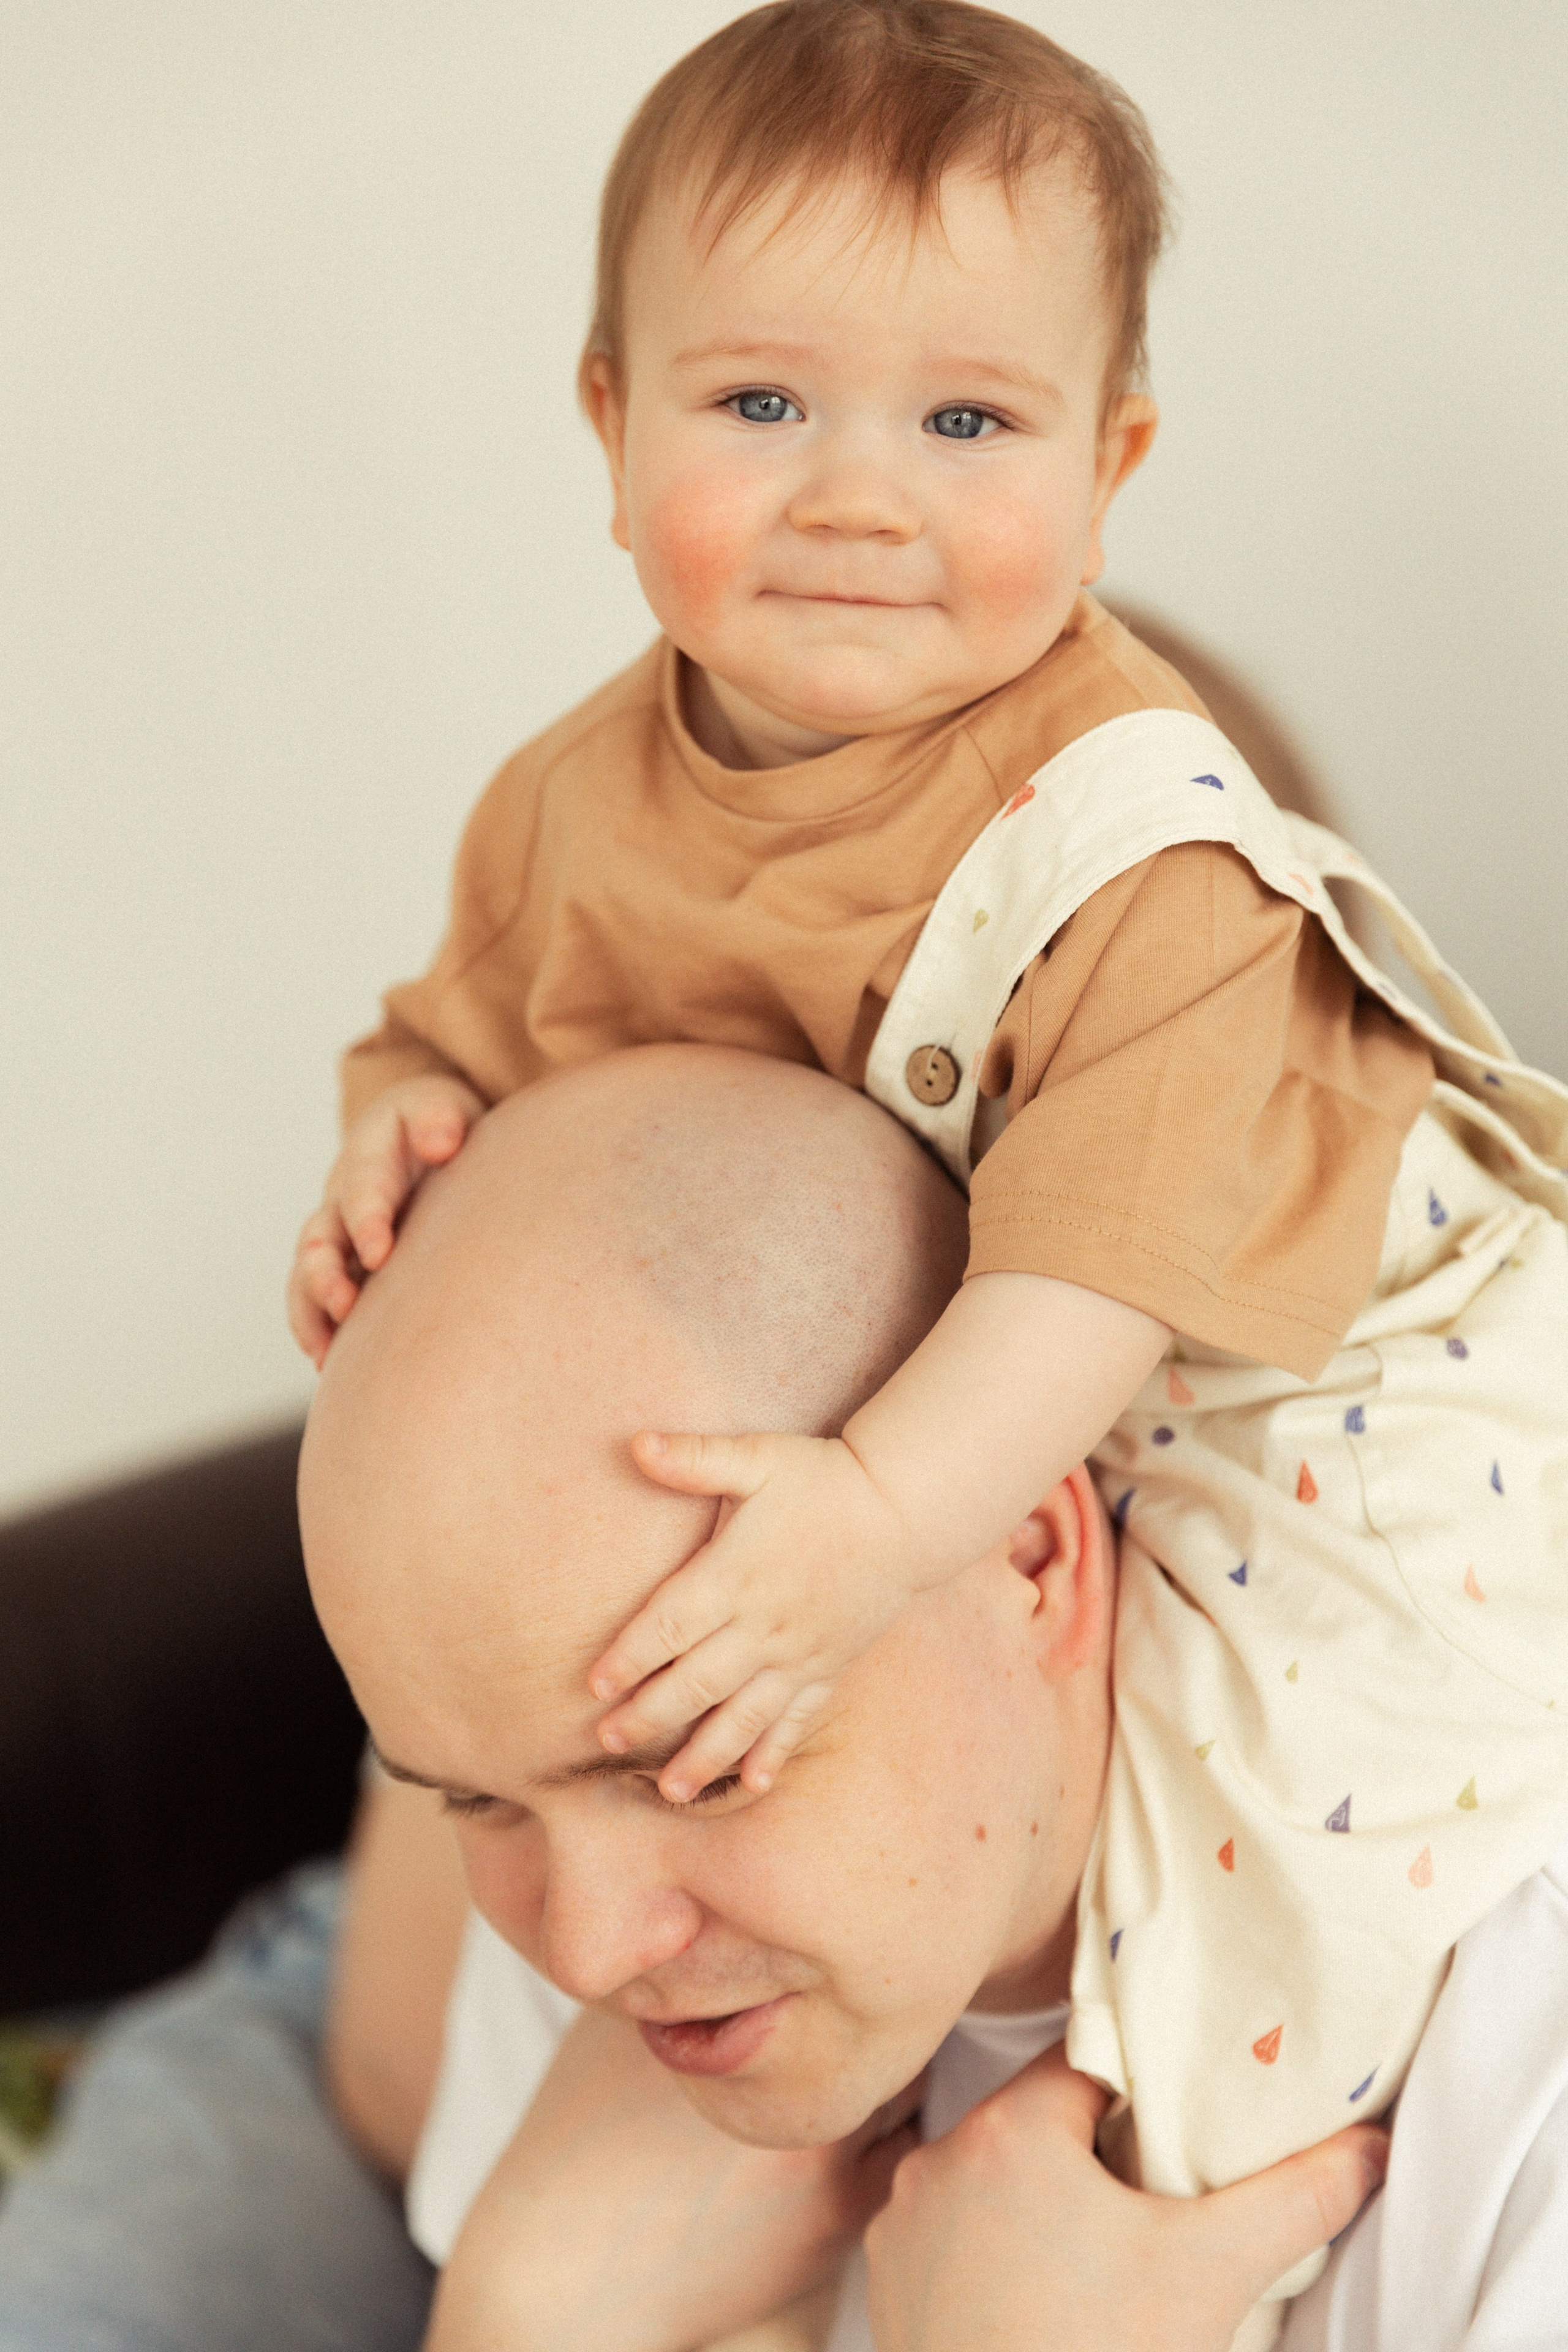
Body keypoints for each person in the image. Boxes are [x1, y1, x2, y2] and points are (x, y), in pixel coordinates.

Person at [283, 0, 1568, 2282]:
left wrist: (877, 1517)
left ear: (1113, 459)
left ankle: (1187, 2163)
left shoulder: (1146, 852)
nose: (858, 491)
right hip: (996, 1397)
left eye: (967, 419)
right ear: (605, 420)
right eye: (762, 402)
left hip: (1313, 1362)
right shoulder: (573, 801)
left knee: (1316, 1778)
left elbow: (1096, 1280)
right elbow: (450, 1025)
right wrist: (402, 1132)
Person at [300, 1044, 1385, 2352]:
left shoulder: (1496, 2055)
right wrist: (514, 2316)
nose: (588, 1959)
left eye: (693, 1763)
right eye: (476, 1800)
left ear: (1025, 1559)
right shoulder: (601, 1900)